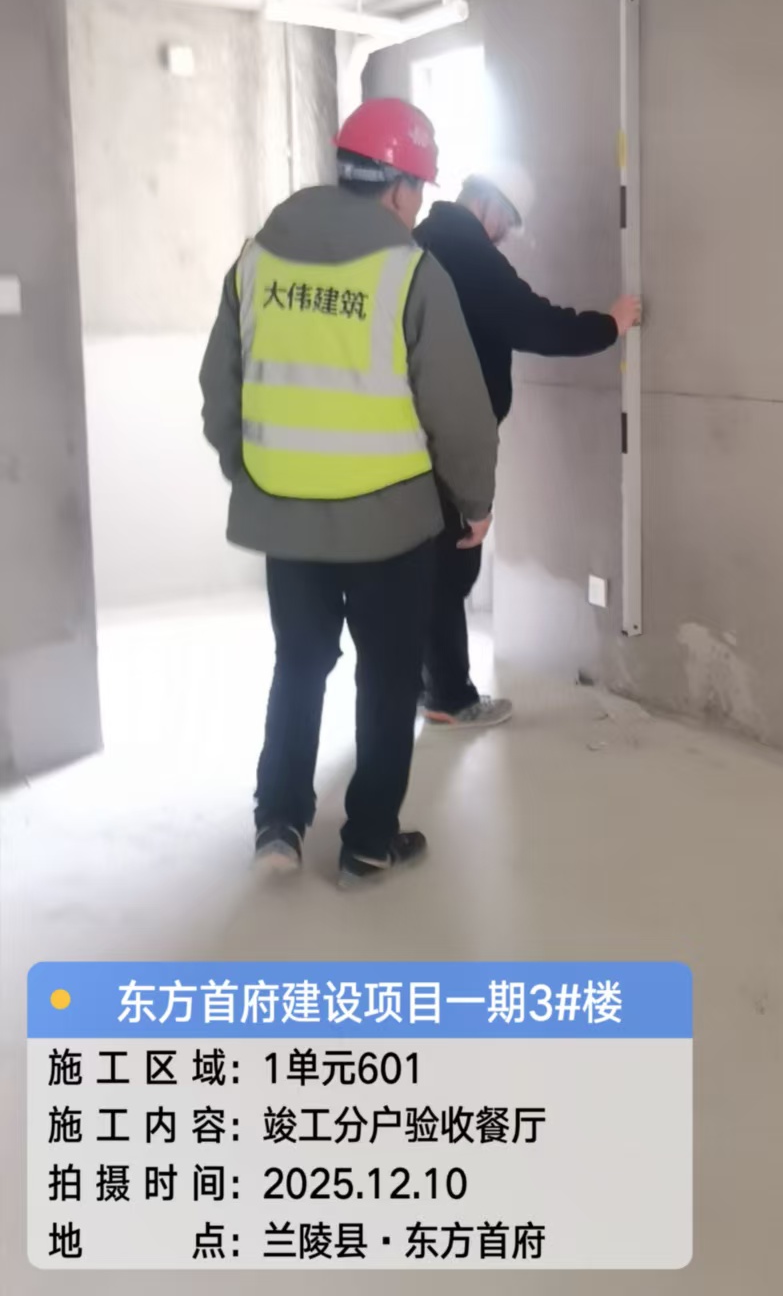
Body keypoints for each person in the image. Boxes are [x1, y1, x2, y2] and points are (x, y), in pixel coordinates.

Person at [199, 98, 499, 887]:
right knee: (387, 678)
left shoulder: (256, 260)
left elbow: (219, 389)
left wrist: (255, 474)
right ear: (399, 188)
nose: (419, 208)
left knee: (298, 664)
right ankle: (367, 840)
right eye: (420, 191)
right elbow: (459, 409)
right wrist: (474, 502)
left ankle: (278, 823)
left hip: (286, 515)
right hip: (389, 521)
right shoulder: (411, 271)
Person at [414, 158, 641, 727]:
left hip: (406, 431)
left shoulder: (418, 240)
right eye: (507, 222)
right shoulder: (467, 252)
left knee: (422, 562)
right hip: (450, 436)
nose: (506, 236)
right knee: (453, 561)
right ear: (487, 204)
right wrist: (609, 325)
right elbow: (535, 322)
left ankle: (421, 684)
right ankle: (448, 696)